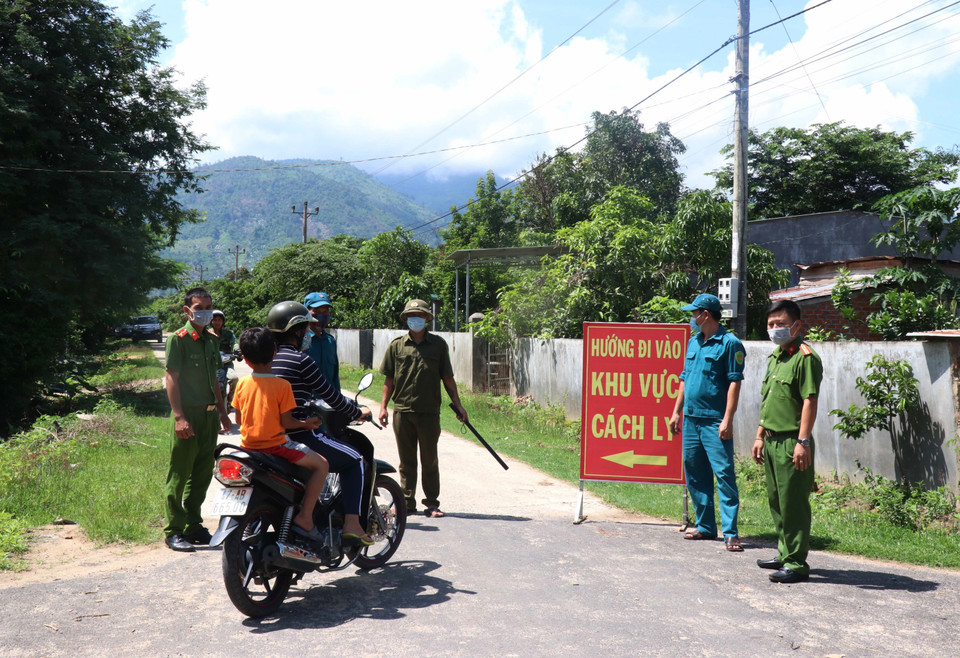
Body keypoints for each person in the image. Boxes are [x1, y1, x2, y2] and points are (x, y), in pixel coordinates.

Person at [267, 300, 374, 545]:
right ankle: (352, 524)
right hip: (298, 433)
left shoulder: (267, 360)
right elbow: (331, 395)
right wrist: (356, 411)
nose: (309, 333)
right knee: (355, 460)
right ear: (296, 331)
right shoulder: (301, 360)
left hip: (267, 434)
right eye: (306, 328)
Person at [232, 327, 335, 542]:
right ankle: (306, 517)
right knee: (322, 465)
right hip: (276, 447)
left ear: (245, 359)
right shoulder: (282, 385)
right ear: (275, 353)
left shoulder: (241, 384)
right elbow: (287, 422)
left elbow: (239, 420)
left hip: (247, 448)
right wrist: (306, 424)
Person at [752, 299, 823, 584]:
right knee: (777, 502)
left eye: (780, 324)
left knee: (793, 503)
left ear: (796, 325)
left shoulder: (805, 357)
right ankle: (784, 553)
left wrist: (803, 442)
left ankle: (796, 563)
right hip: (770, 441)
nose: (774, 329)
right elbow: (769, 401)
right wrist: (759, 435)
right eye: (771, 325)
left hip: (792, 442)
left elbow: (810, 401)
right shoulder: (776, 357)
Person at [669, 293, 746, 552]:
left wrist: (728, 419)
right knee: (695, 473)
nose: (692, 318)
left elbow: (734, 382)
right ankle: (705, 526)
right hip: (691, 418)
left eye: (695, 313)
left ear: (706, 314)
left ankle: (731, 533)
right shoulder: (693, 342)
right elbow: (684, 378)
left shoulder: (730, 343)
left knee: (724, 474)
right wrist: (676, 412)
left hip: (714, 421)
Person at [378, 299, 467, 518]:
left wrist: (459, 406)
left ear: (427, 318)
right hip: (402, 411)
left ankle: (432, 503)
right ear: (406, 319)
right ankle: (407, 503)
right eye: (411, 316)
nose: (414, 319)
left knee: (429, 460)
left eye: (419, 315)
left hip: (428, 413)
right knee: (406, 462)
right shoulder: (396, 345)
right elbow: (389, 379)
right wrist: (383, 408)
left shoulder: (438, 345)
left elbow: (447, 378)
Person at [163, 287, 232, 552]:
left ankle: (193, 524)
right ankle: (174, 530)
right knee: (179, 473)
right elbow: (172, 379)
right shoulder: (178, 339)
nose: (204, 312)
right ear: (187, 310)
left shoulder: (212, 341)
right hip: (187, 415)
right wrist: (179, 417)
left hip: (209, 415)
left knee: (202, 473)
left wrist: (223, 412)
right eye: (199, 307)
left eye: (208, 307)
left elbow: (215, 379)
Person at [303, 291, 340, 391]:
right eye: (317, 311)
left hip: (328, 403)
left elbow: (335, 378)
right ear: (307, 312)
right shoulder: (300, 341)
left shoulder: (330, 342)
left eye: (325, 312)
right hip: (307, 403)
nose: (321, 316)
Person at [210, 310, 238, 415]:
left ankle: (231, 399)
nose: (217, 322)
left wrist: (237, 351)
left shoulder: (228, 333)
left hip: (227, 363)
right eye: (214, 320)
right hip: (212, 364)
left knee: (235, 379)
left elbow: (234, 343)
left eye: (219, 320)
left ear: (223, 321)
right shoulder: (207, 333)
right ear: (211, 321)